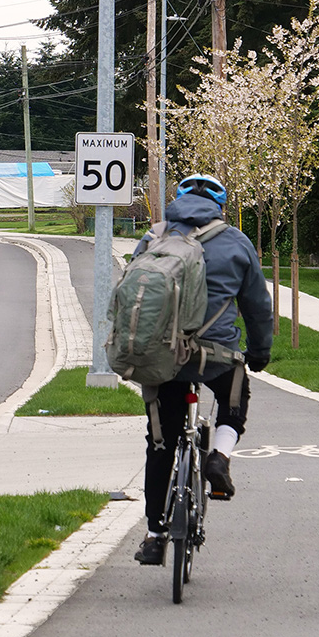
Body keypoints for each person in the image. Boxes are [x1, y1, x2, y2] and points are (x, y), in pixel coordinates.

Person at [133, 173, 274, 566]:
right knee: (235, 399)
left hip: (162, 359)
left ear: (176, 202)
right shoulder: (236, 242)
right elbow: (258, 307)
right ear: (219, 206)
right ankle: (220, 458)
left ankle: (155, 536)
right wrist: (259, 352)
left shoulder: (153, 238)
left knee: (160, 443)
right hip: (217, 356)